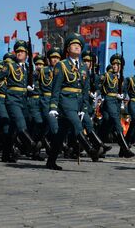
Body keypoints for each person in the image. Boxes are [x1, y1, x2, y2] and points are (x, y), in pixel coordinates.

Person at [46, 33, 101, 170]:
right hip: (65, 101)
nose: (77, 47)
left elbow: (85, 90)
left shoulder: (83, 67)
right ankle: (91, 150)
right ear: (67, 49)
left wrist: (83, 108)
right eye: (73, 45)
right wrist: (53, 106)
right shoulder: (61, 65)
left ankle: (51, 161)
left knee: (62, 132)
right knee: (77, 125)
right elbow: (56, 88)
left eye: (79, 45)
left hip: (77, 102)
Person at [99, 54, 135, 158]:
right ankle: (125, 149)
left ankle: (98, 147)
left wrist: (122, 95)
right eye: (113, 64)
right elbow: (98, 85)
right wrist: (99, 94)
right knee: (116, 122)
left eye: (117, 64)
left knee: (107, 126)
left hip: (118, 103)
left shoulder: (123, 79)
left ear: (121, 66)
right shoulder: (107, 76)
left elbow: (125, 91)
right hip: (109, 101)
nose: (115, 66)